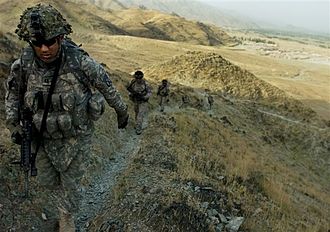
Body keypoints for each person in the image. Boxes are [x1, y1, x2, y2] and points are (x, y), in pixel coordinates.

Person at [4, 4, 128, 231]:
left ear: (61, 37)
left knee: (71, 185)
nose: (44, 49)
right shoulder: (23, 66)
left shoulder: (81, 63)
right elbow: (13, 94)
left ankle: (67, 220)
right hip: (42, 137)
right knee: (48, 182)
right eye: (37, 44)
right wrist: (13, 124)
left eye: (50, 42)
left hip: (76, 137)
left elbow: (109, 89)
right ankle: (62, 212)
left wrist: (122, 113)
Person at [126, 70, 151, 135]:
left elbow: (149, 93)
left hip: (143, 101)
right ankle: (137, 124)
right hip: (135, 101)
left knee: (140, 115)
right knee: (136, 114)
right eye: (137, 78)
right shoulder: (132, 82)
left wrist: (144, 97)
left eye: (139, 78)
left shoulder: (146, 84)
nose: (138, 80)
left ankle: (138, 129)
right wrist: (131, 95)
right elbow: (129, 89)